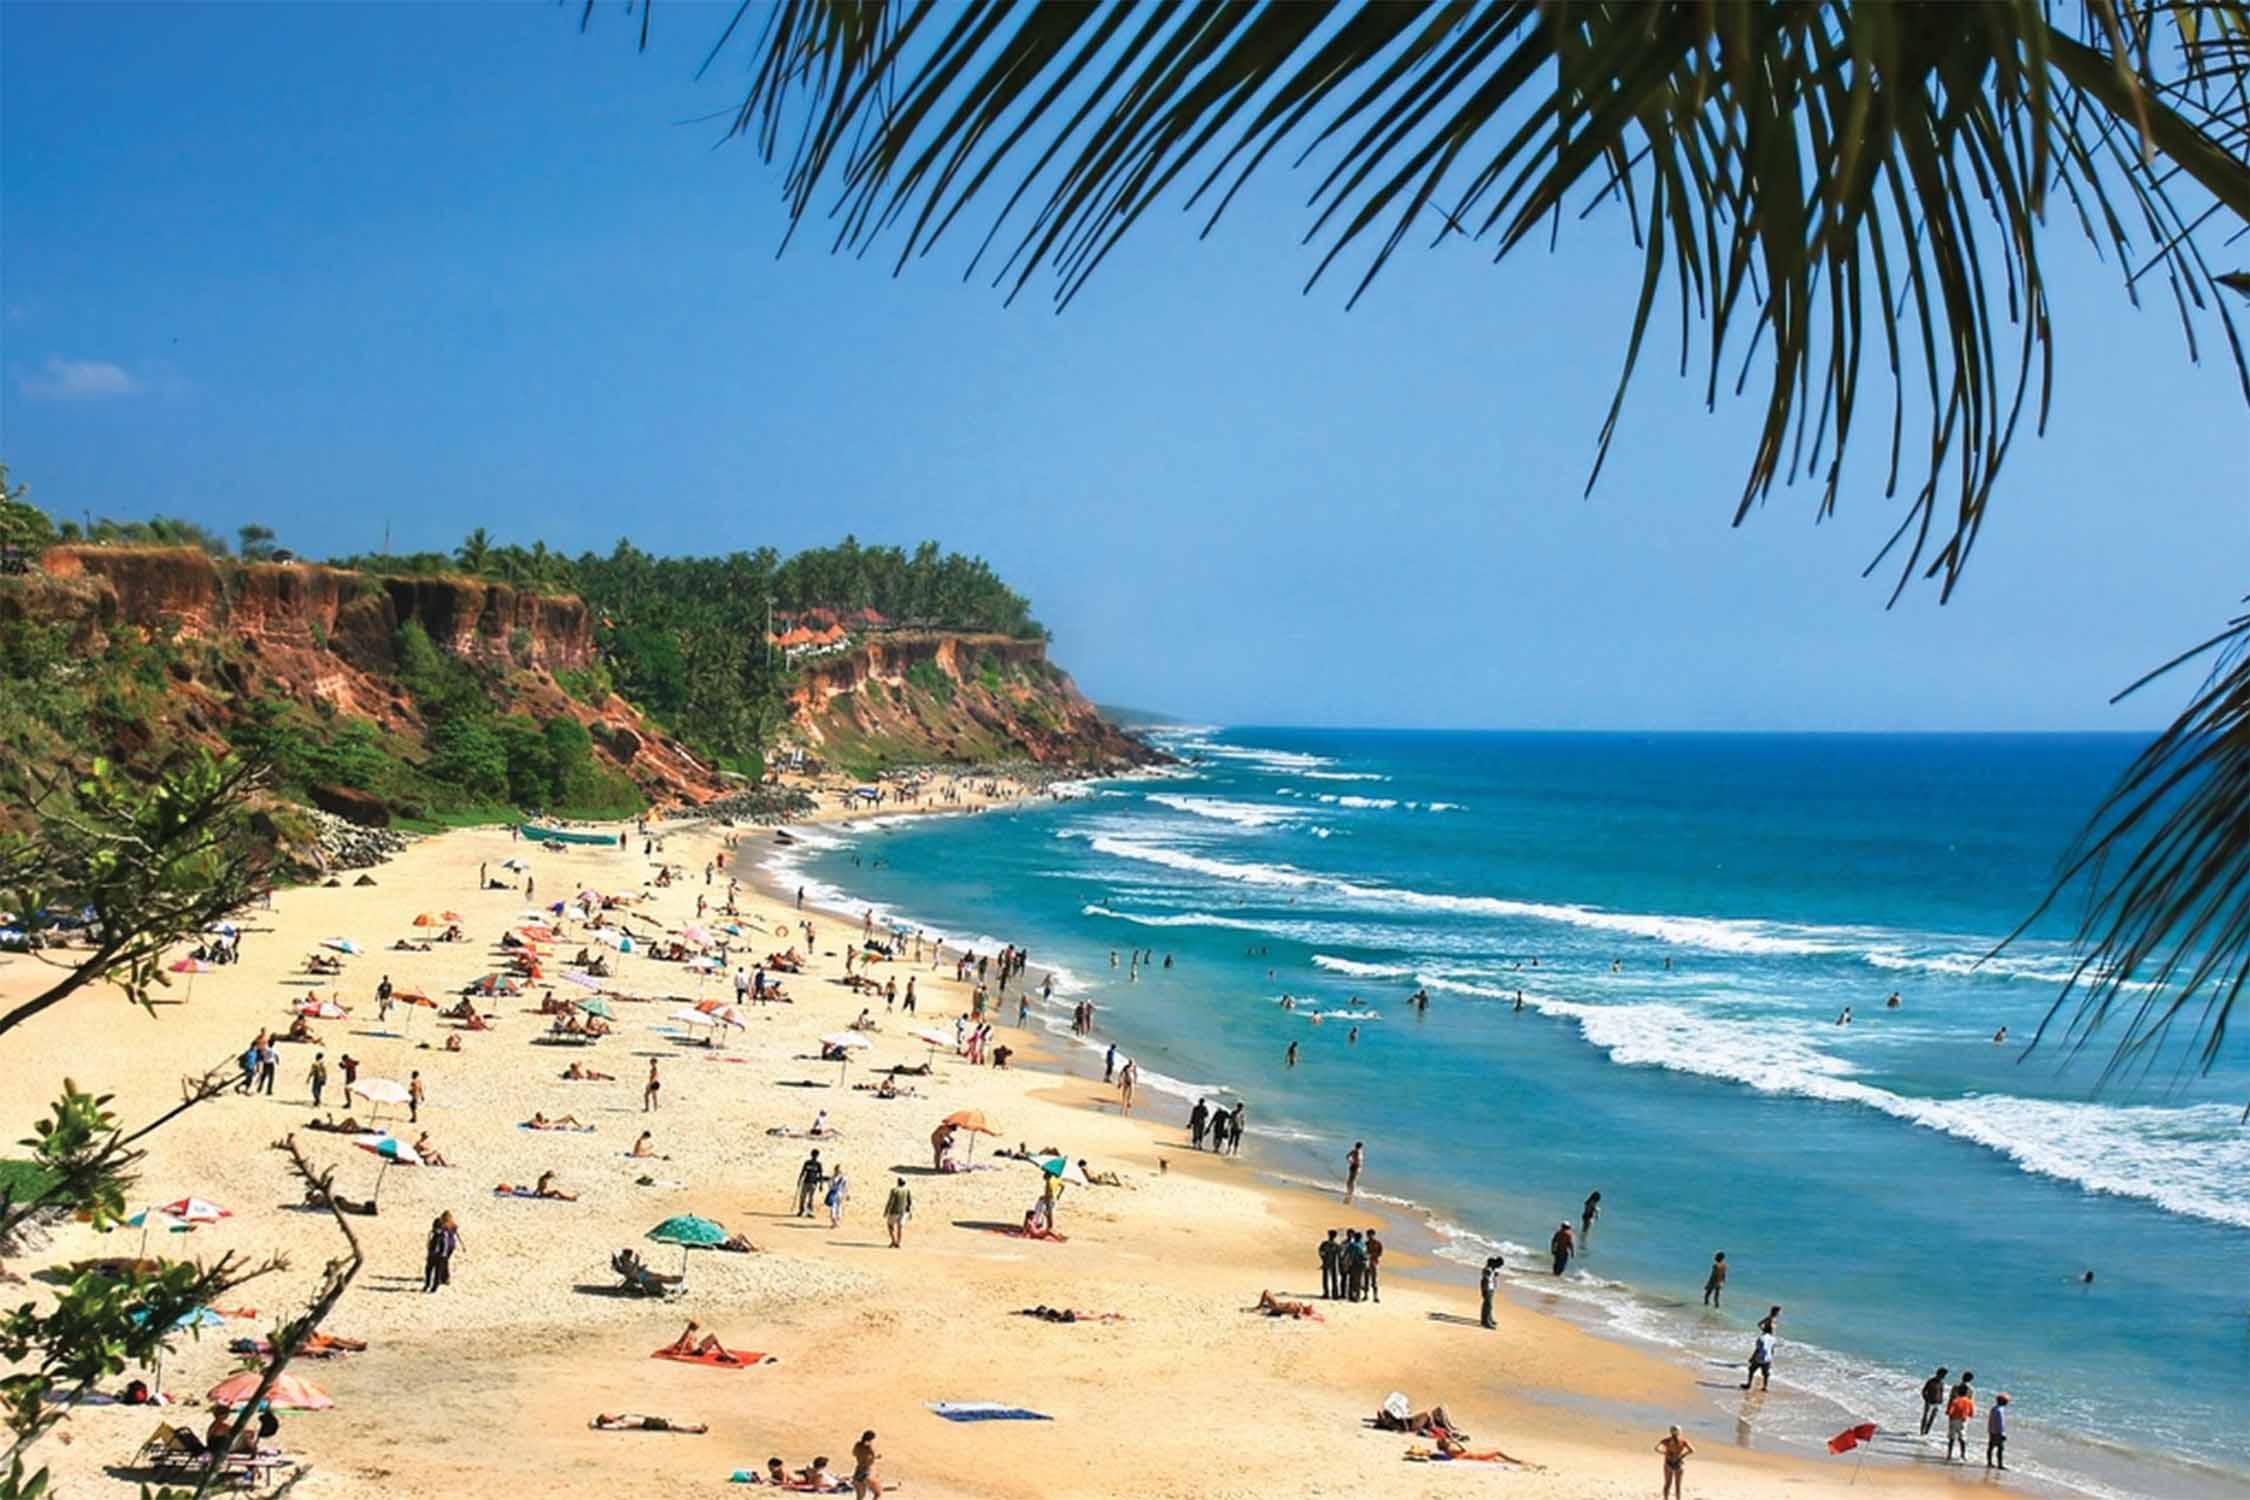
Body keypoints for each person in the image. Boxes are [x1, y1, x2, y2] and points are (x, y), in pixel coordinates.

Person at [423, 1211, 460, 1293]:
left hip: (445, 1248)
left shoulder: (444, 1228)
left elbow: (431, 1241)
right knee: (444, 1263)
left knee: (441, 1264)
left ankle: (442, 1279)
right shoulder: (452, 1225)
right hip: (450, 1246)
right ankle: (443, 1278)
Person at [1657, 1425, 1694, 1499]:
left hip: (1668, 1463)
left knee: (1667, 1484)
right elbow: (1692, 1450)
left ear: (1670, 1432)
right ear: (1679, 1432)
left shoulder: (1666, 1440)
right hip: (1679, 1463)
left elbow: (1656, 1448)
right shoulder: (1683, 1441)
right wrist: (1682, 1455)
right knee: (1678, 1485)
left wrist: (1665, 1453)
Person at [1945, 1384, 1976, 1461]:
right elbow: (1971, 1414)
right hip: (1963, 1421)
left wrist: (1949, 1413)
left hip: (1953, 1420)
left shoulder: (1955, 1400)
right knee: (1962, 1438)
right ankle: (1963, 1455)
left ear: (1958, 1392)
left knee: (1952, 1438)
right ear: (1967, 1392)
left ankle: (1949, 1455)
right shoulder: (1969, 1402)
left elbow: (1950, 1412)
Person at [1919, 1366, 1950, 1435]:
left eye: (1945, 1375)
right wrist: (1926, 1399)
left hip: (1937, 1403)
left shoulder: (1942, 1383)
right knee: (1925, 1417)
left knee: (1932, 1418)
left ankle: (1927, 1432)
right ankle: (1922, 1431)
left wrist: (1941, 1400)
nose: (1944, 1376)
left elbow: (1941, 1392)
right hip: (1929, 1402)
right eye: (1943, 1375)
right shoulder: (1931, 1381)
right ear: (1939, 1374)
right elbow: (1924, 1391)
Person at [851, 1429, 883, 1498]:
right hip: (867, 1472)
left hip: (858, 1472)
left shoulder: (857, 1445)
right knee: (878, 1494)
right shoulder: (870, 1447)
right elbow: (874, 1456)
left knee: (860, 1497)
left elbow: (854, 1454)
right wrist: (878, 1456)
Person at [1742, 1326, 1775, 1390]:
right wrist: (1771, 1360)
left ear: (1764, 1330)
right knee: (1765, 1373)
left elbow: (1757, 1350)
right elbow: (1772, 1350)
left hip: (1759, 1358)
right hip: (1768, 1358)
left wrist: (1752, 1358)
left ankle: (1749, 1384)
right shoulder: (1773, 1339)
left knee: (1751, 1370)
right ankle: (1765, 1387)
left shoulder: (1761, 1338)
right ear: (1771, 1331)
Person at [883, 1176, 911, 1248]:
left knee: (890, 1226)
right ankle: (898, 1242)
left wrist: (886, 1211)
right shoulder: (907, 1190)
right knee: (900, 1227)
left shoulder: (894, 1190)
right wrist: (909, 1211)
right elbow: (909, 1202)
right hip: (903, 1212)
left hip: (894, 1211)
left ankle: (894, 1240)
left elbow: (890, 1201)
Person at [1985, 1392, 2009, 1470]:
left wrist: (1989, 1429)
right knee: (2000, 1448)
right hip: (1998, 1432)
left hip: (1992, 1431)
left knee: (1991, 1447)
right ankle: (2000, 1464)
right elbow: (2001, 1423)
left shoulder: (1994, 1408)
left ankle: (1989, 1462)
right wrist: (2003, 1433)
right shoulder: (2000, 1411)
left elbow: (1991, 1420)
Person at [796, 1150, 825, 1217]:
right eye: (813, 1155)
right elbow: (803, 1172)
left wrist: (821, 1184)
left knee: (811, 1198)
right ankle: (801, 1210)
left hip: (813, 1183)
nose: (814, 1157)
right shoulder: (807, 1163)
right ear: (811, 1155)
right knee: (803, 1197)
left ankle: (809, 1212)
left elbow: (820, 1175)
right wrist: (799, 1180)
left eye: (816, 1155)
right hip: (806, 1182)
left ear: (817, 1156)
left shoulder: (818, 1164)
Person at [1478, 1255, 1503, 1329]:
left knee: (1489, 1306)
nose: (1499, 1267)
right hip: (1487, 1289)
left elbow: (1491, 1279)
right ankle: (1485, 1322)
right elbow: (1483, 1281)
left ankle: (1488, 1319)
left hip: (1491, 1289)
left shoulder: (1492, 1269)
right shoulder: (1487, 1270)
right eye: (1498, 1265)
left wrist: (1494, 1275)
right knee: (1488, 1305)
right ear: (1494, 1263)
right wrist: (1484, 1290)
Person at [1318, 1230, 1340, 1299]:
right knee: (1333, 1279)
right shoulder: (1336, 1245)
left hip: (1328, 1263)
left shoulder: (1325, 1244)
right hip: (1333, 1264)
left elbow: (1321, 1253)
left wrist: (1323, 1259)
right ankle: (1334, 1294)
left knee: (1327, 1279)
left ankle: (1327, 1294)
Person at [1364, 1227, 1384, 1303]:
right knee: (1366, 1280)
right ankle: (1366, 1295)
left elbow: (1380, 1253)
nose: (1369, 1236)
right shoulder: (1365, 1243)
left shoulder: (1378, 1243)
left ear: (1373, 1235)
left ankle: (1375, 1296)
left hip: (1374, 1263)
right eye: (1368, 1235)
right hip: (1367, 1263)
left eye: (1371, 1235)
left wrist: (1372, 1255)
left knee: (1374, 1280)